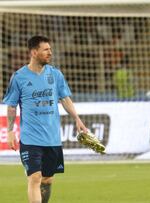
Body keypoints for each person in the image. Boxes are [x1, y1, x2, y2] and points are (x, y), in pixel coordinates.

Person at [3, 36, 88, 203]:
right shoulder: (19, 77)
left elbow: (65, 98)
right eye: (46, 50)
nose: (50, 52)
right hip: (30, 138)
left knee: (47, 180)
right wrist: (10, 131)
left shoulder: (55, 74)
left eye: (50, 49)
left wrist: (77, 119)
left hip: (52, 138)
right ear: (34, 52)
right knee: (34, 177)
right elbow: (12, 106)